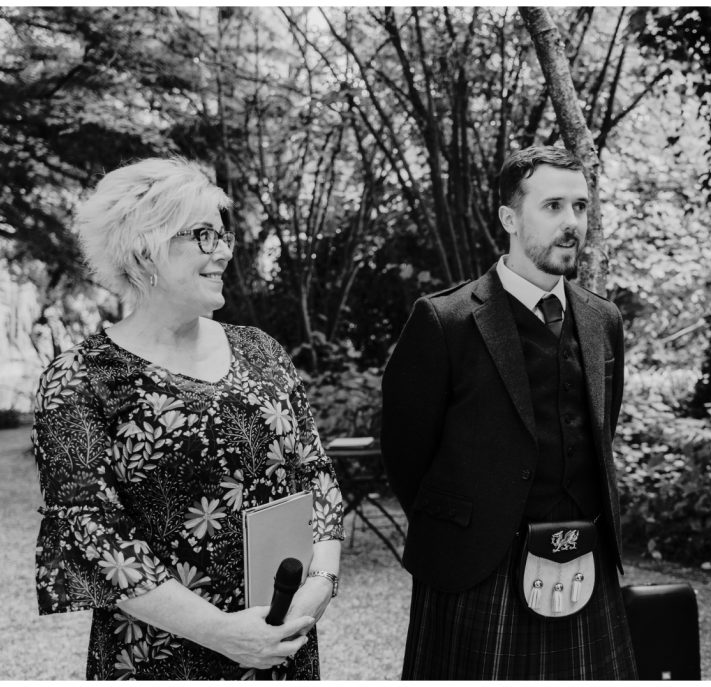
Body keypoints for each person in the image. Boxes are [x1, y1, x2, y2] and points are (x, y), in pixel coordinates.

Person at [32, 158, 345, 680]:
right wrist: (222, 633)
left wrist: (321, 583)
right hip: (160, 656)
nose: (223, 250)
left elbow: (317, 475)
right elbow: (93, 532)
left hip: (283, 641)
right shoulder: (80, 380)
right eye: (202, 234)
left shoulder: (261, 350)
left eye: (223, 235)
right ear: (142, 249)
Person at [381, 145, 637, 679]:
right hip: (478, 567)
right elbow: (406, 454)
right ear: (509, 218)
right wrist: (471, 525)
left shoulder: (602, 319)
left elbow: (601, 428)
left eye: (581, 207)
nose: (572, 223)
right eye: (553, 206)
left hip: (585, 556)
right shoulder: (444, 321)